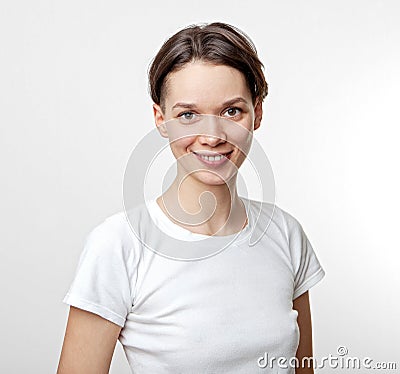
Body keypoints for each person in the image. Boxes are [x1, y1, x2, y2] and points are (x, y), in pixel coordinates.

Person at [57, 22, 325, 374]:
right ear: (161, 119)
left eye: (232, 111)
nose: (211, 136)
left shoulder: (285, 234)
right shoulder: (119, 245)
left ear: (257, 113)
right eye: (188, 115)